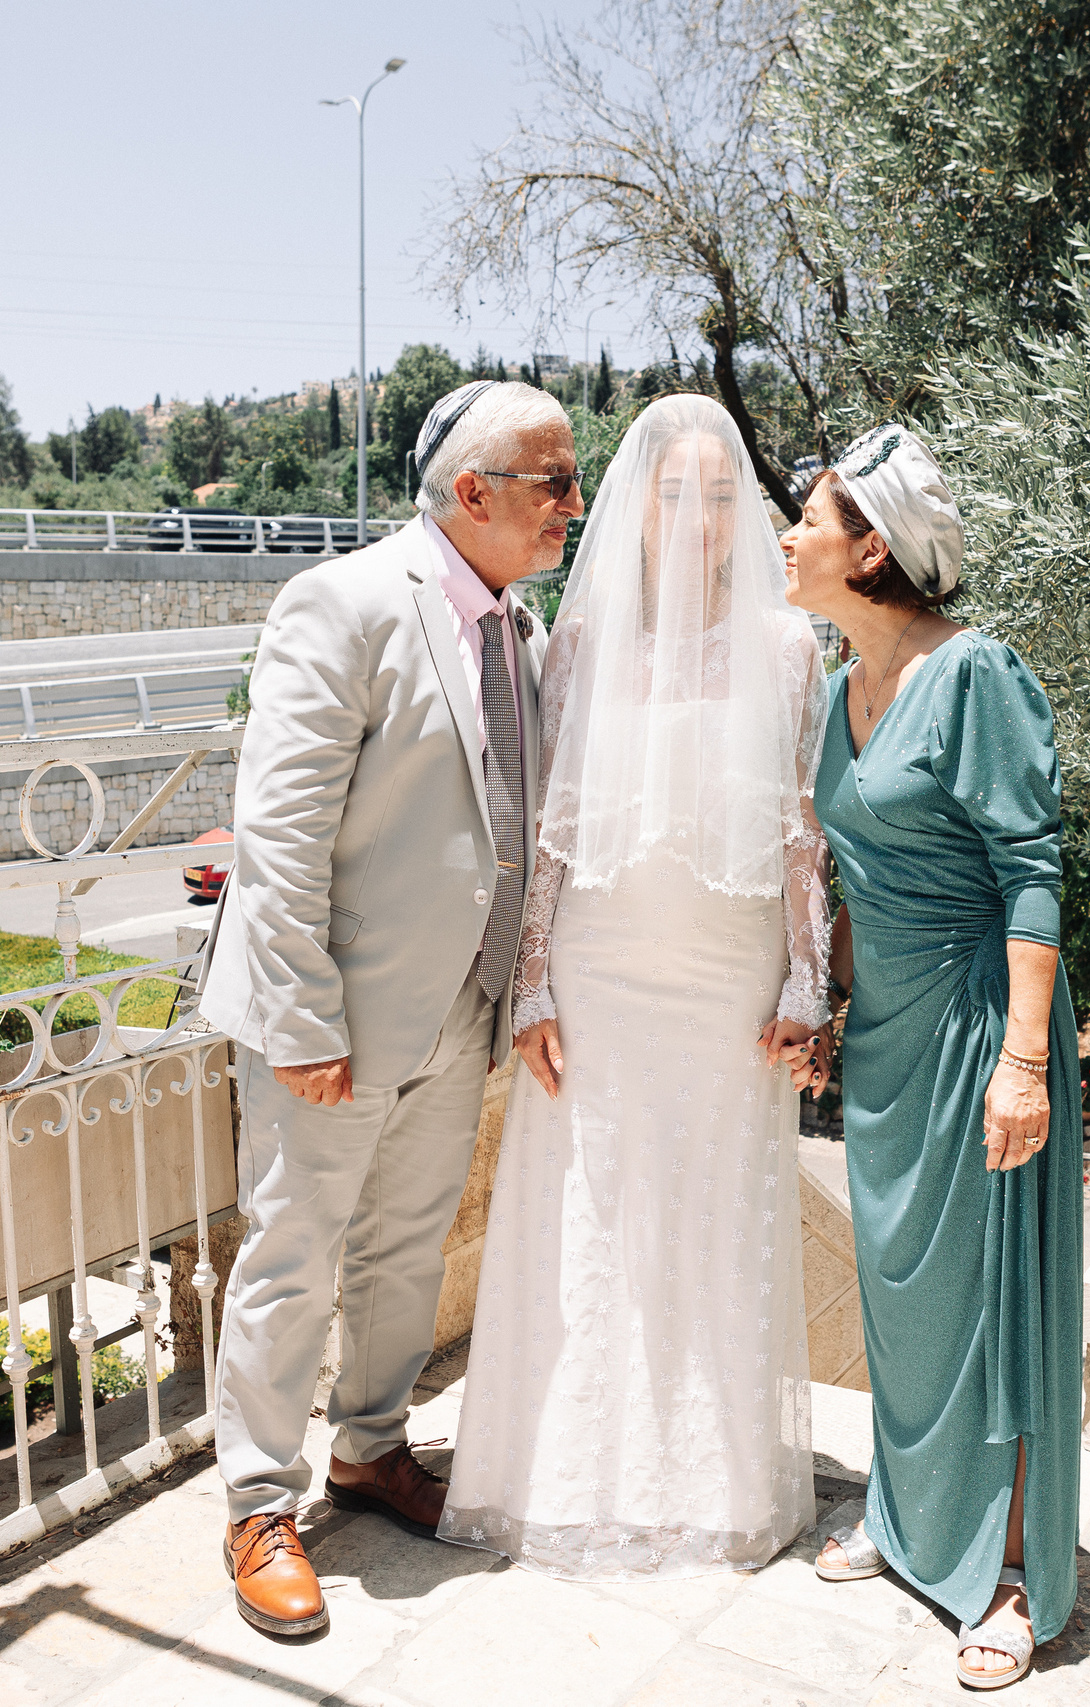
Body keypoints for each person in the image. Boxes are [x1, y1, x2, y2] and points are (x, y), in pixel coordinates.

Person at [195, 379, 584, 1636]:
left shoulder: (521, 628)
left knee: (407, 1249)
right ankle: (258, 1504)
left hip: (458, 1006)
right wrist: (303, 1020)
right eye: (555, 481)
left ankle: (370, 1450)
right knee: (292, 1256)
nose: (573, 505)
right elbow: (278, 834)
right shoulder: (345, 602)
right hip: (336, 1014)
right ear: (472, 491)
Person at [438, 394, 833, 1580]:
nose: (699, 518)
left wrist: (808, 981)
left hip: (727, 972)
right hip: (600, 968)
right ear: (637, 509)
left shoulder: (788, 647)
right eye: (674, 496)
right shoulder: (583, 642)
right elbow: (547, 829)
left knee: (714, 1209)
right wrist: (532, 986)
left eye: (719, 496)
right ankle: (564, 1479)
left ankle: (712, 1487)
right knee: (588, 1212)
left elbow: (803, 830)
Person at [779, 423, 1082, 1691]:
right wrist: (830, 1010)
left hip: (979, 1025)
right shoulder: (834, 686)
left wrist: (1024, 1063)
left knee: (993, 1303)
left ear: (870, 552)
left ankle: (1010, 1573)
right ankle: (911, 1523)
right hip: (891, 1037)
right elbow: (859, 875)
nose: (787, 538)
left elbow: (1032, 871)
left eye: (807, 520)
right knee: (907, 1301)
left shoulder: (976, 675)